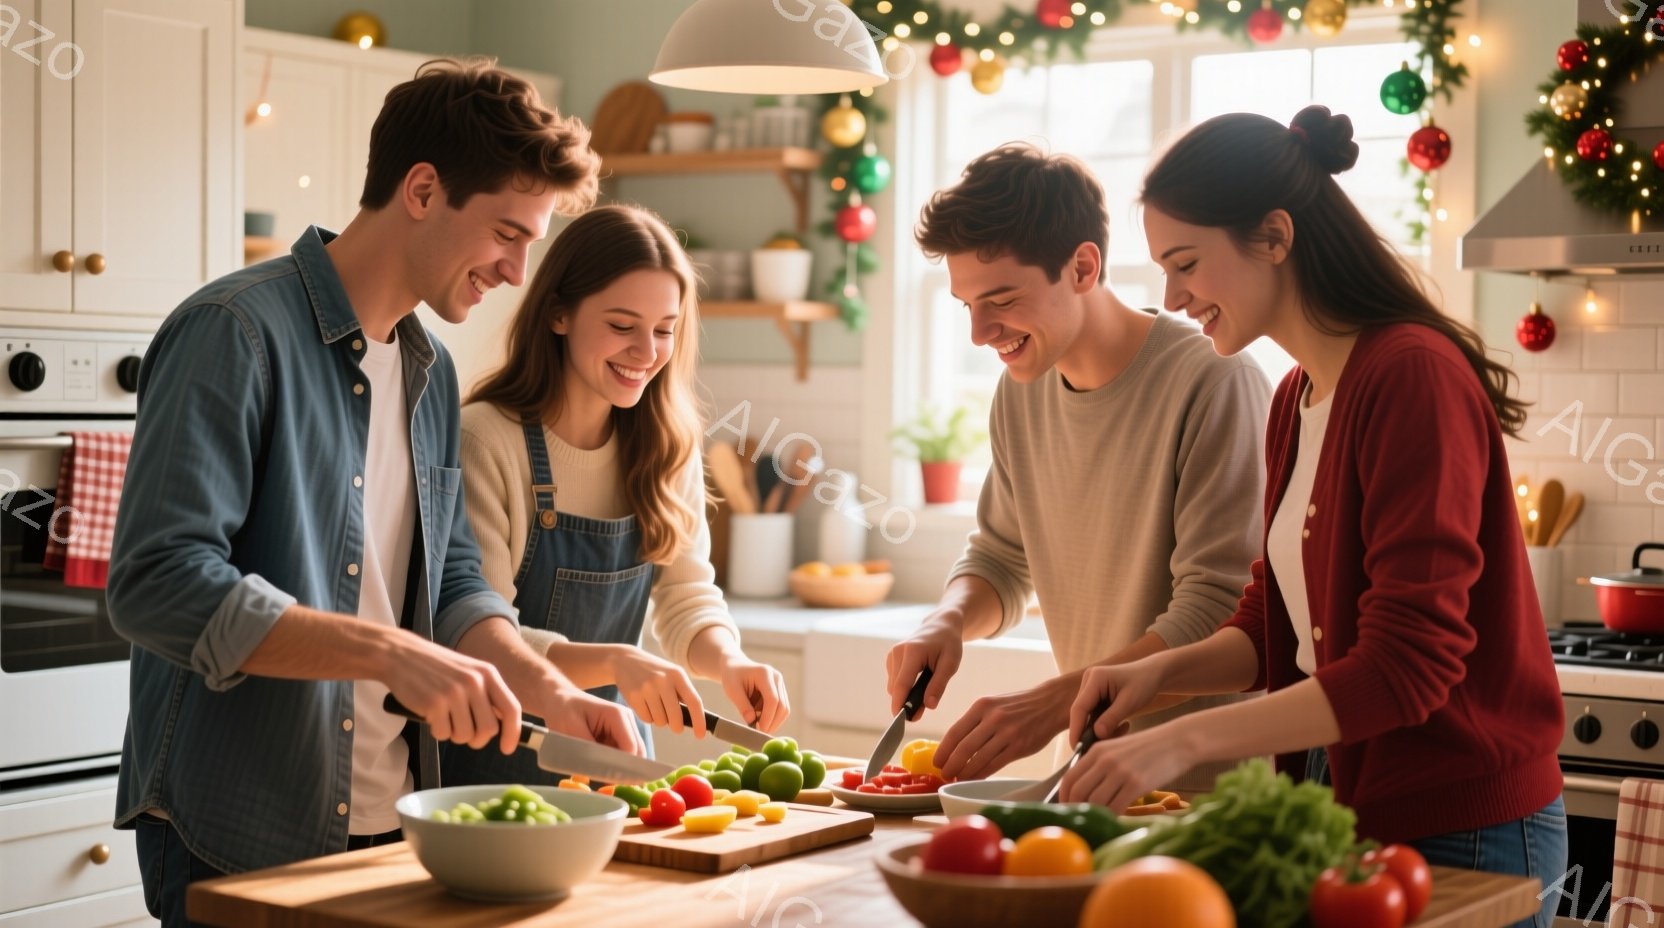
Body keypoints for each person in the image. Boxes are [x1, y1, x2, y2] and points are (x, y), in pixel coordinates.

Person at [107, 58, 642, 927]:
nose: (516, 271)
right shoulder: (236, 333)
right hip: (242, 825)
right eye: (508, 233)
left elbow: (456, 584)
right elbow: (156, 583)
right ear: (423, 190)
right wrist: (390, 652)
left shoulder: (429, 374)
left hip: (393, 817)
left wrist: (557, 696)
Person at [1060, 106, 1566, 926]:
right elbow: (1278, 619)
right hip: (1348, 808)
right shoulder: (1298, 395)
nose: (1173, 296)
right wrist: (1160, 677)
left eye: (1186, 263)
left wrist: (1183, 741)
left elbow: (1408, 664)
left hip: (1462, 824)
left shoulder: (1411, 377)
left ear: (1274, 236)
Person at [884, 143, 1271, 789]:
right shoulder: (1021, 390)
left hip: (1213, 791)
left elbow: (1220, 609)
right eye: (967, 305)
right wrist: (946, 619)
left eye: (1002, 299)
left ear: (1083, 267)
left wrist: (1054, 702)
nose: (980, 332)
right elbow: (1004, 559)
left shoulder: (1214, 381)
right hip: (1098, 779)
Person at [445, 204, 789, 784]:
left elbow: (685, 595)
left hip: (620, 762)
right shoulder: (484, 439)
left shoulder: (665, 443)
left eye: (664, 330)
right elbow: (480, 631)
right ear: (559, 314)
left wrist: (730, 660)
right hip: (497, 761)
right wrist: (617, 662)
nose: (647, 352)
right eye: (622, 326)